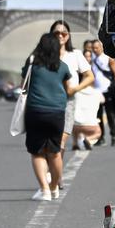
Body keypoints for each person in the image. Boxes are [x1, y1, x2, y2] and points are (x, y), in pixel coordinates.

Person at [22, 32, 73, 201]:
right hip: (57, 112)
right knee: (55, 153)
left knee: (37, 152)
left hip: (35, 111)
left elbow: (23, 83)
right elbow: (67, 88)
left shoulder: (33, 65)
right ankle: (54, 188)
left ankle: (44, 190)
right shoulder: (63, 66)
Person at [50, 20, 95, 154]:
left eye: (64, 33)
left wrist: (75, 89)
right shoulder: (45, 55)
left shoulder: (75, 54)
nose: (60, 35)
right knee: (50, 140)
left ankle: (54, 174)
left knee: (61, 141)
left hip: (68, 101)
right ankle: (51, 172)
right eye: (56, 32)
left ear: (68, 35)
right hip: (47, 101)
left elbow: (90, 76)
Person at [91, 40, 115, 145]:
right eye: (93, 48)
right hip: (96, 92)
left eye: (97, 47)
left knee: (110, 115)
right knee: (98, 116)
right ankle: (101, 137)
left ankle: (114, 136)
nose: (95, 50)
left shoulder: (108, 57)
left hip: (108, 90)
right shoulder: (92, 58)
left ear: (101, 47)